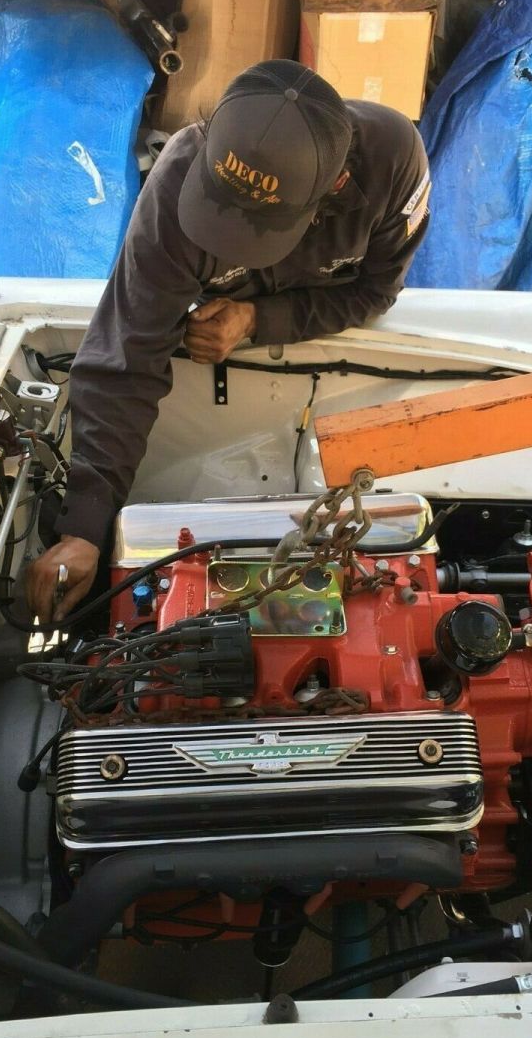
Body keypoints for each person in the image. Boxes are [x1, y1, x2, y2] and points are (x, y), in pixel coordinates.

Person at [27, 59, 431, 622]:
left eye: (254, 228)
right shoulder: (175, 184)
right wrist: (84, 529)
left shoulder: (394, 161)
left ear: (334, 188)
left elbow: (373, 294)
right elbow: (128, 357)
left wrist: (255, 320)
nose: (231, 241)